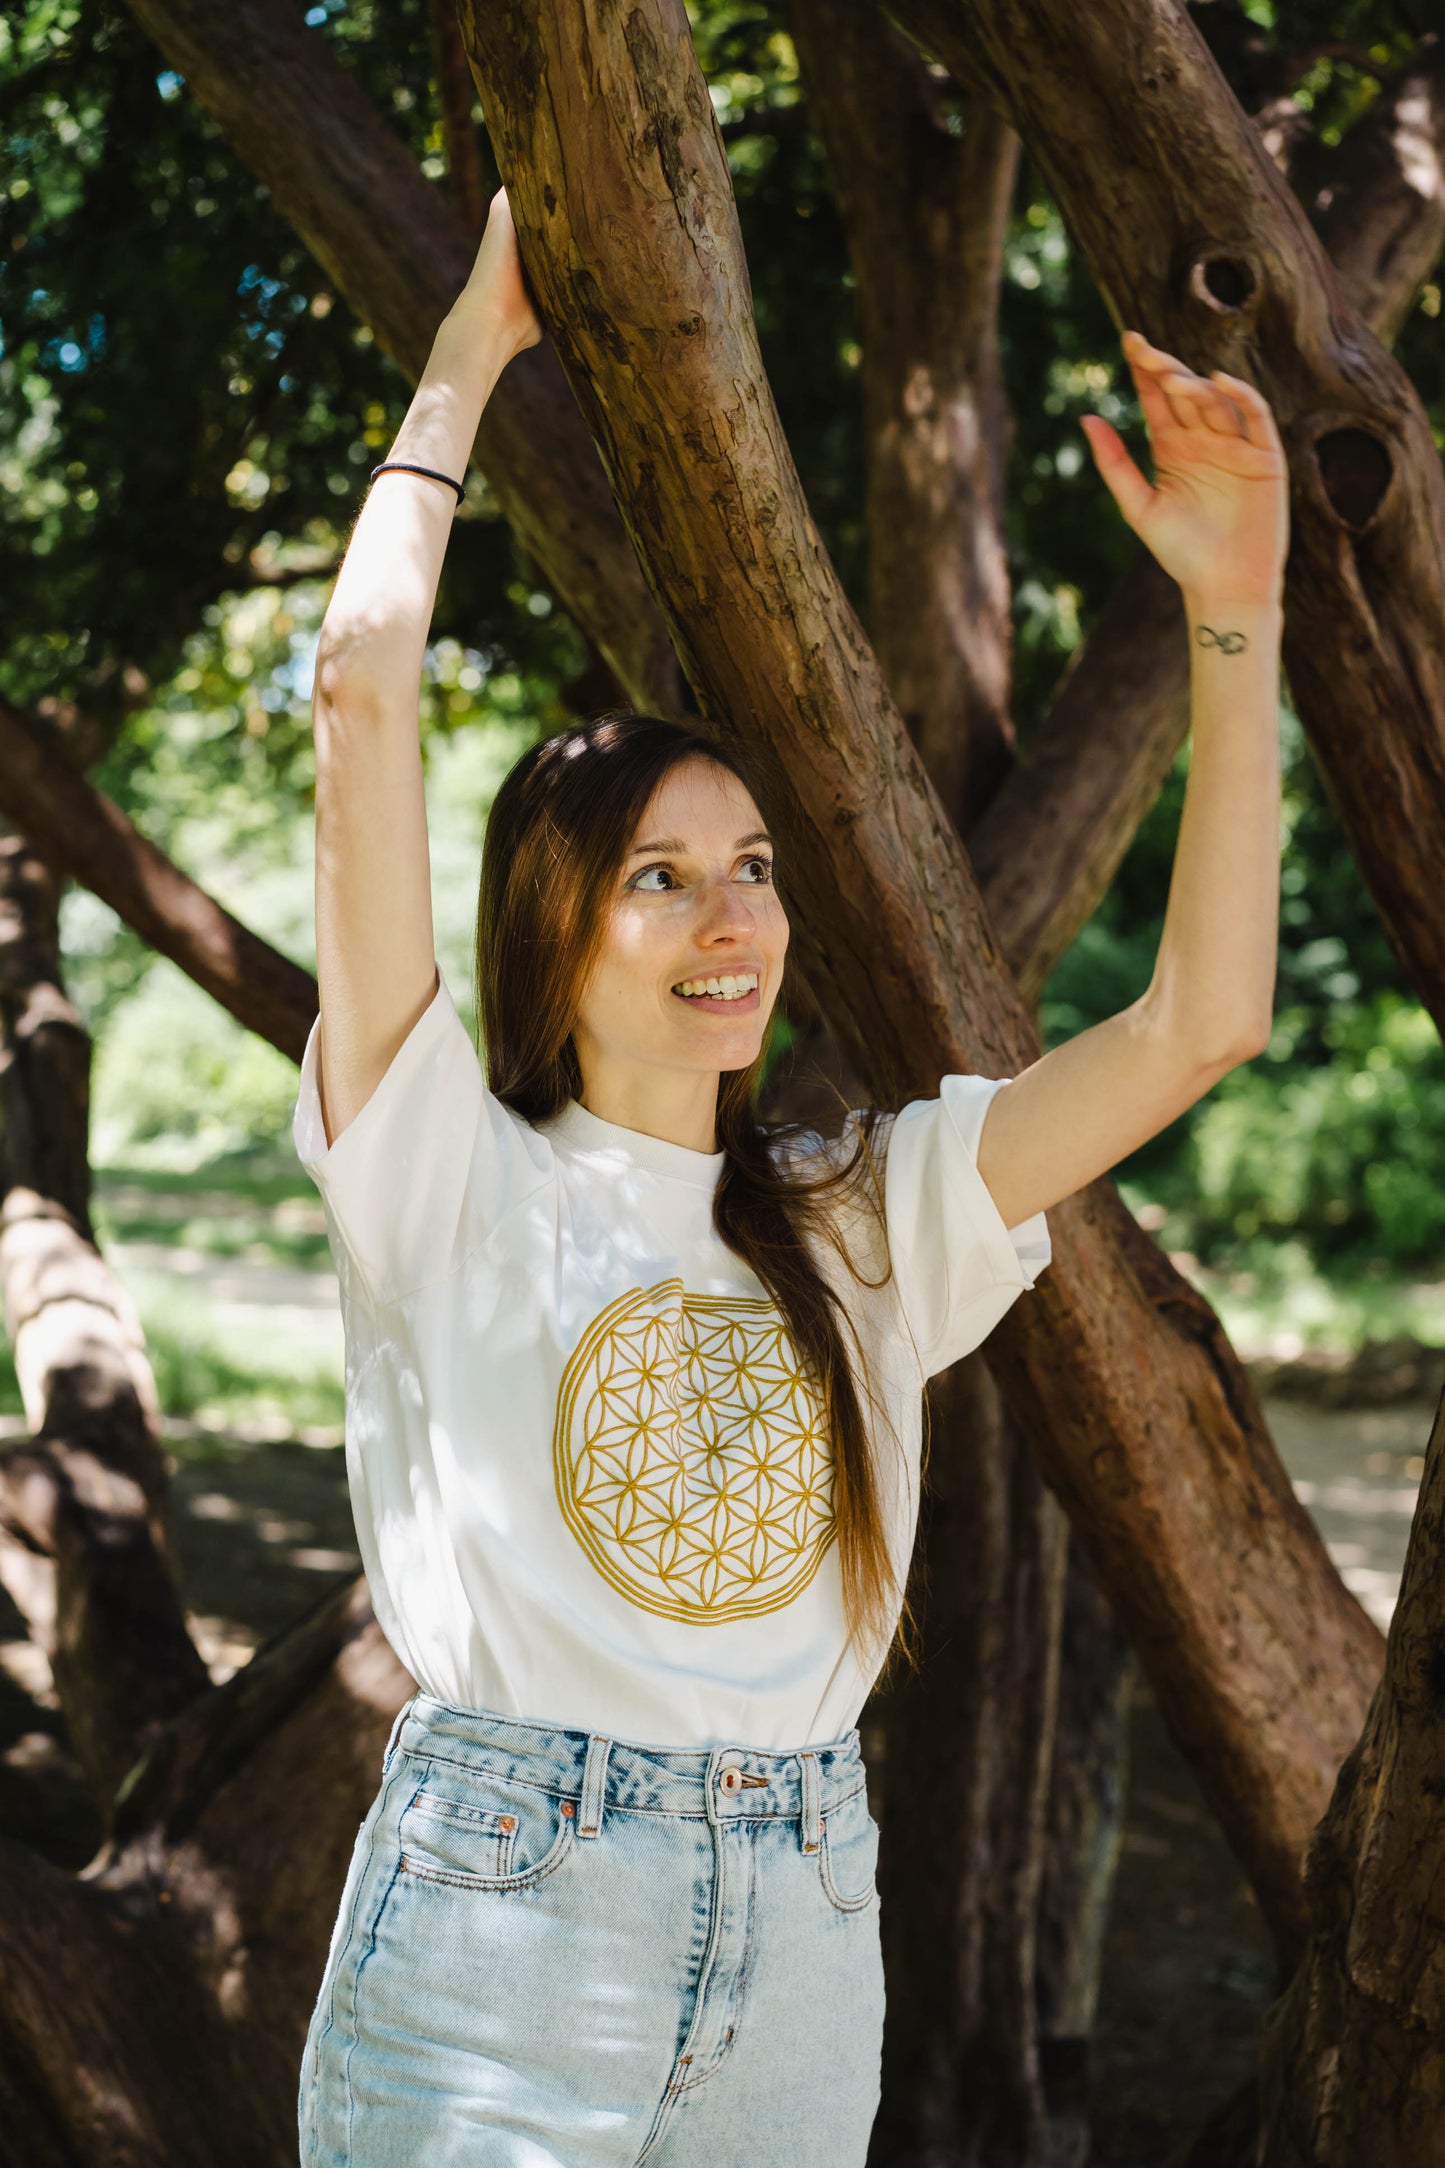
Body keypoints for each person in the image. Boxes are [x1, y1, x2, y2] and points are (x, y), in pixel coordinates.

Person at [292, 184, 1287, 2166]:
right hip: (505, 1928)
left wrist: (1238, 613)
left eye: (749, 864)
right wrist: (466, 358)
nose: (727, 911)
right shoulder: (437, 1167)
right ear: (552, 926)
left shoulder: (864, 1211)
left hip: (807, 1921)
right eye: (657, 872)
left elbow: (1199, 1024)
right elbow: (358, 689)